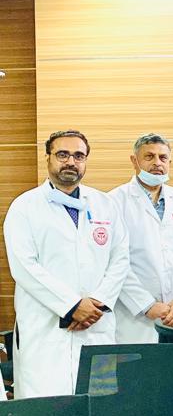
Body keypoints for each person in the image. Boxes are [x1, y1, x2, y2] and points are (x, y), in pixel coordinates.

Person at [3, 130, 130, 398]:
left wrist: (97, 303)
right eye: (62, 154)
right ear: (47, 158)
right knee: (46, 408)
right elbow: (24, 266)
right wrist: (72, 306)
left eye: (78, 156)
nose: (71, 162)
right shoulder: (24, 206)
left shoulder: (105, 205)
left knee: (98, 404)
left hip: (96, 324)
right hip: (45, 328)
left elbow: (120, 259)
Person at [111, 133, 173, 343]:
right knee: (139, 364)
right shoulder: (114, 202)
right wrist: (145, 304)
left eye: (163, 157)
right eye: (149, 156)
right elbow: (114, 261)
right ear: (134, 161)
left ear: (169, 162)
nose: (157, 163)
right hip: (135, 317)